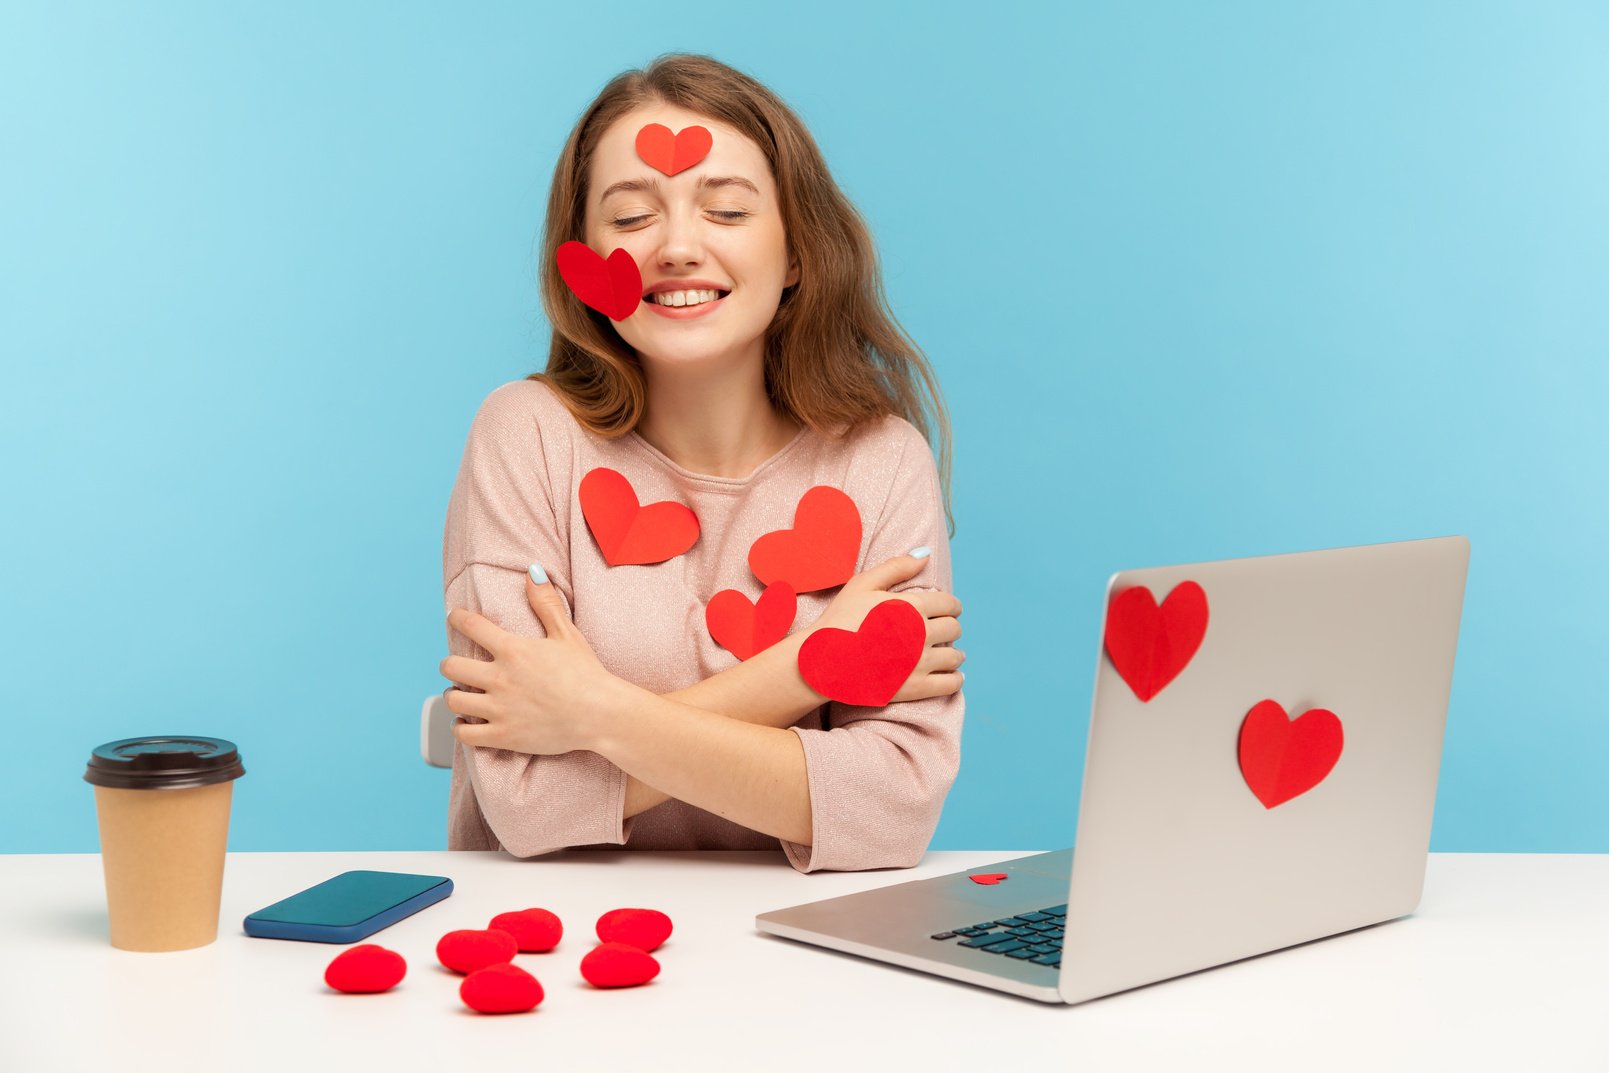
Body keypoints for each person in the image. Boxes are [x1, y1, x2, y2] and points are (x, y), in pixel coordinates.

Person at [439, 53, 964, 873]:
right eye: (630, 217)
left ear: (796, 253)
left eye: (724, 210)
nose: (678, 247)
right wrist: (809, 664)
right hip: (564, 935)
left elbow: (891, 810)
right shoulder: (527, 435)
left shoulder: (880, 460)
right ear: (581, 262)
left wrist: (593, 712)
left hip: (798, 947)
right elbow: (530, 804)